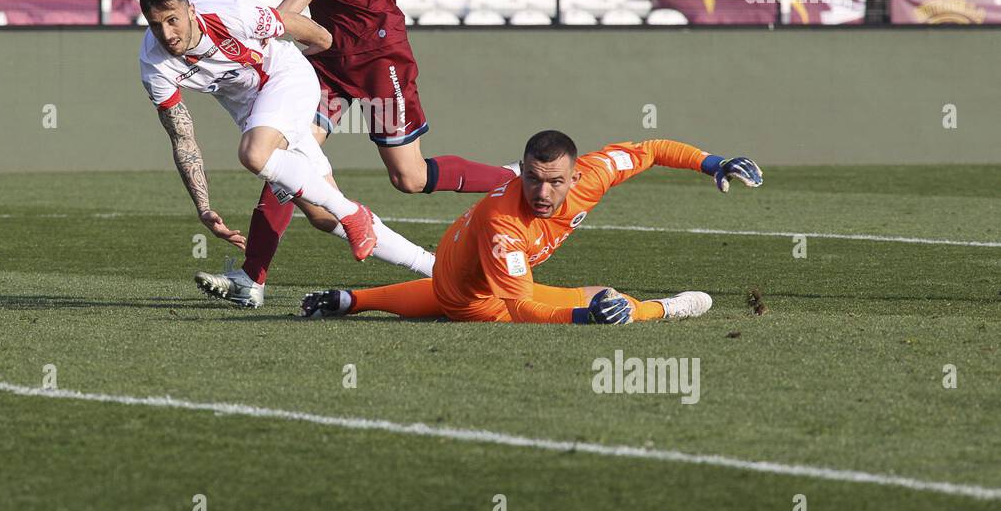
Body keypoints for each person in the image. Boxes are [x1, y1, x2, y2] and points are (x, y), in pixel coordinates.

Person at [194, 0, 518, 310]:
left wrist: (279, 20)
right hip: (325, 55)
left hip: (376, 53)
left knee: (408, 178)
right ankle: (251, 278)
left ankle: (512, 179)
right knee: (286, 157)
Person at [301, 131, 764, 324]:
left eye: (555, 182)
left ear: (577, 176)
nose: (542, 193)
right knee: (606, 298)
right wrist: (585, 317)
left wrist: (714, 163)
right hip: (476, 297)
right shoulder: (505, 223)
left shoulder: (596, 171)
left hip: (450, 274)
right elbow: (519, 306)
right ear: (520, 170)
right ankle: (666, 308)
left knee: (449, 291)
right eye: (533, 179)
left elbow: (652, 148)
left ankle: (353, 300)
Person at [139, 0, 435, 275]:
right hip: (256, 113)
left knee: (255, 154)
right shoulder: (154, 64)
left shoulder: (233, 14)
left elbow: (308, 31)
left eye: (172, 20)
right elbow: (182, 139)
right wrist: (203, 207)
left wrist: (320, 49)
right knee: (322, 216)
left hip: (287, 78)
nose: (166, 33)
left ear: (190, 11)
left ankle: (347, 216)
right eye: (155, 24)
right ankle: (434, 268)